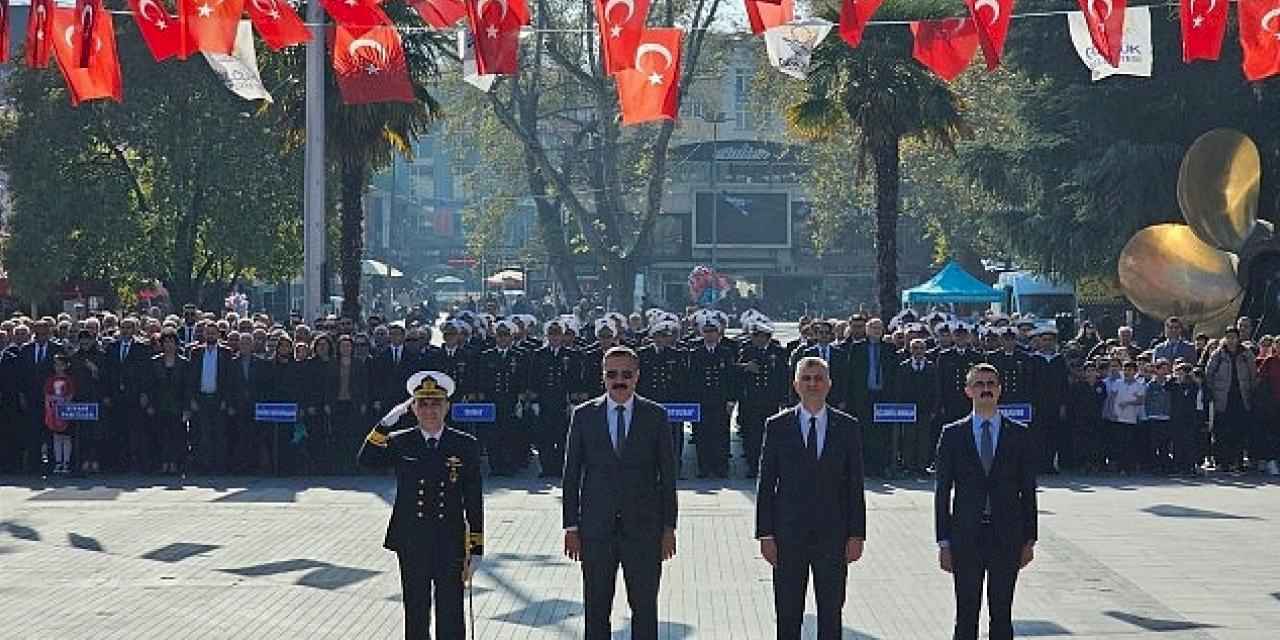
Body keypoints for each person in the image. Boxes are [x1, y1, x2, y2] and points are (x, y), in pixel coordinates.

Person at [562, 346, 678, 640]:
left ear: (637, 377)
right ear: (602, 376)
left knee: (644, 610)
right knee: (597, 610)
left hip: (644, 531)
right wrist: (571, 527)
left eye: (626, 374)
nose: (619, 380)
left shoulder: (655, 415)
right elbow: (571, 475)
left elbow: (668, 477)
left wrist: (668, 528)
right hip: (596, 530)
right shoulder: (584, 415)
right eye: (612, 374)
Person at [358, 371, 483, 640]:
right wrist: (384, 424)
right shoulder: (401, 440)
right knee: (415, 608)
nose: (430, 410)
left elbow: (473, 498)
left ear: (447, 407)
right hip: (412, 537)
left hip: (449, 538)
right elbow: (366, 459)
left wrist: (476, 547)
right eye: (423, 404)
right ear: (413, 408)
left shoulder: (464, 444)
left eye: (436, 404)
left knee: (451, 609)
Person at [755, 356, 866, 640]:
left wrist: (857, 535)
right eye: (806, 378)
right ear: (796, 384)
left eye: (818, 379)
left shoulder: (847, 426)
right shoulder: (777, 426)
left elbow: (855, 484)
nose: (812, 384)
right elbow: (766, 483)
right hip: (788, 535)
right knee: (788, 611)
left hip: (834, 535)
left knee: (831, 611)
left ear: (829, 384)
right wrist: (765, 534)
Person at [935, 363, 1038, 640]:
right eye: (979, 384)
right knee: (966, 613)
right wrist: (944, 542)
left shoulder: (1019, 433)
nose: (986, 389)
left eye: (991, 384)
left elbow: (1028, 489)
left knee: (1001, 612)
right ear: (968, 391)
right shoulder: (953, 434)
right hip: (966, 535)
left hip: (1006, 534)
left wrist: (1030, 539)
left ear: (1000, 390)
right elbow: (942, 491)